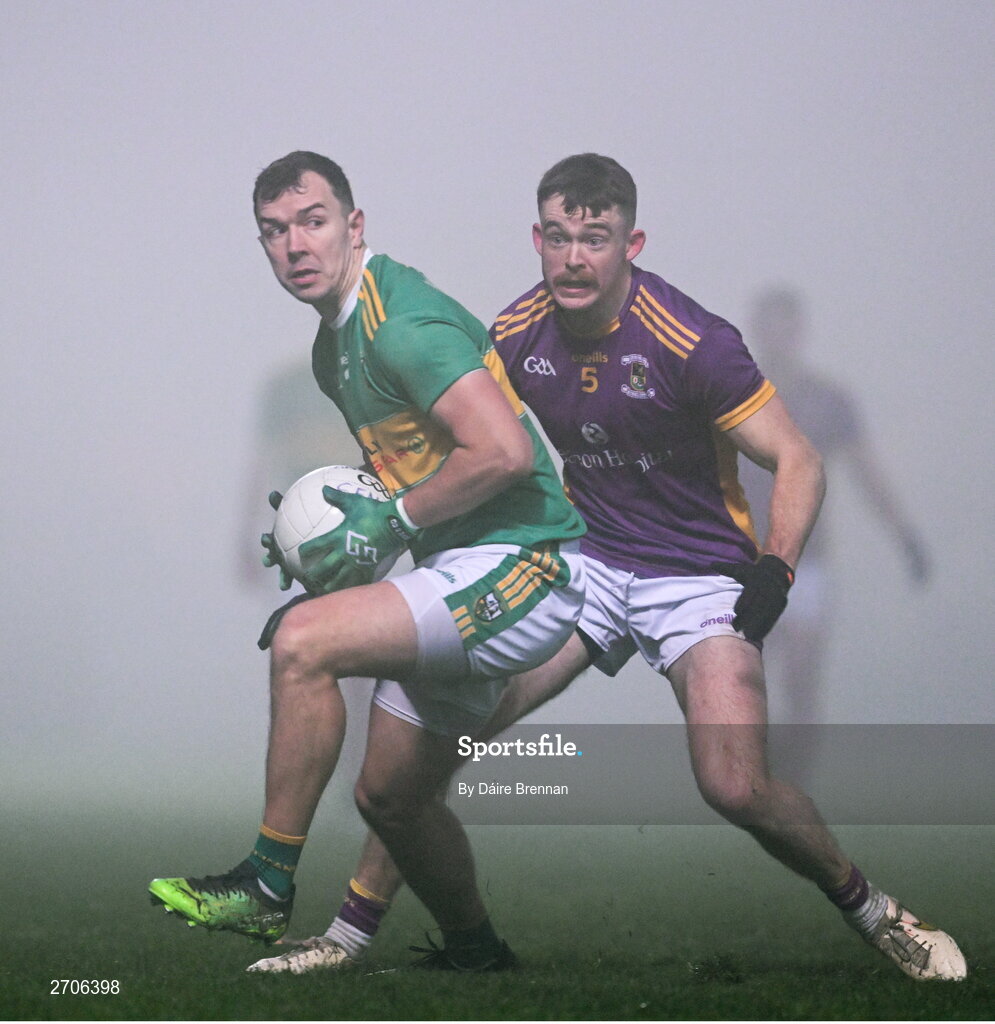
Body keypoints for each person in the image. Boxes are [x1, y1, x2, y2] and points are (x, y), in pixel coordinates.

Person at [248, 153, 966, 983]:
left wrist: (775, 569)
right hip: (582, 560)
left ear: (633, 242)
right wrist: (359, 539)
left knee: (733, 785)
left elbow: (797, 459)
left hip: (695, 575)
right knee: (438, 742)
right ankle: (354, 933)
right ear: (537, 240)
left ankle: (879, 914)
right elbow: (458, 442)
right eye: (558, 237)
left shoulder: (691, 341)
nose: (574, 257)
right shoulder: (514, 332)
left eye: (595, 238)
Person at [148, 150, 588, 972]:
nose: (294, 246)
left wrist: (388, 522)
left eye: (312, 223)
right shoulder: (332, 349)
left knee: (303, 643)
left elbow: (499, 454)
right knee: (389, 796)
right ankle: (476, 952)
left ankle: (265, 885)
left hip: (524, 566)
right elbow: (409, 486)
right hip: (460, 568)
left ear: (355, 227)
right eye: (274, 232)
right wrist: (328, 548)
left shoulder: (401, 325)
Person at [740, 286, 930, 731]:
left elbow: (868, 475)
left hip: (808, 561)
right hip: (743, 557)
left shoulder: (829, 400)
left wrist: (906, 537)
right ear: (757, 332)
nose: (779, 337)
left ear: (799, 332)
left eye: (787, 327)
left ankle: (795, 780)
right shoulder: (733, 396)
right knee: (746, 677)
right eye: (770, 327)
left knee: (802, 679)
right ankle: (748, 782)